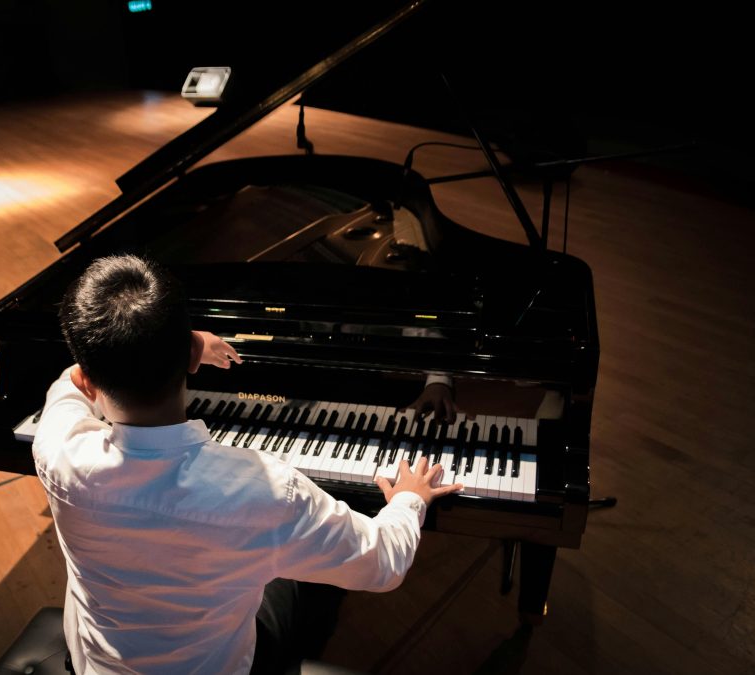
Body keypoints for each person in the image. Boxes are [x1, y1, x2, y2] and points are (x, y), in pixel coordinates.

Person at [33, 254, 464, 674]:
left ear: (89, 380)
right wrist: (409, 499)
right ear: (191, 356)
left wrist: (152, 349)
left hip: (95, 664)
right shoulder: (267, 491)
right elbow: (384, 564)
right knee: (301, 573)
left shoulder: (58, 450)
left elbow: (67, 385)